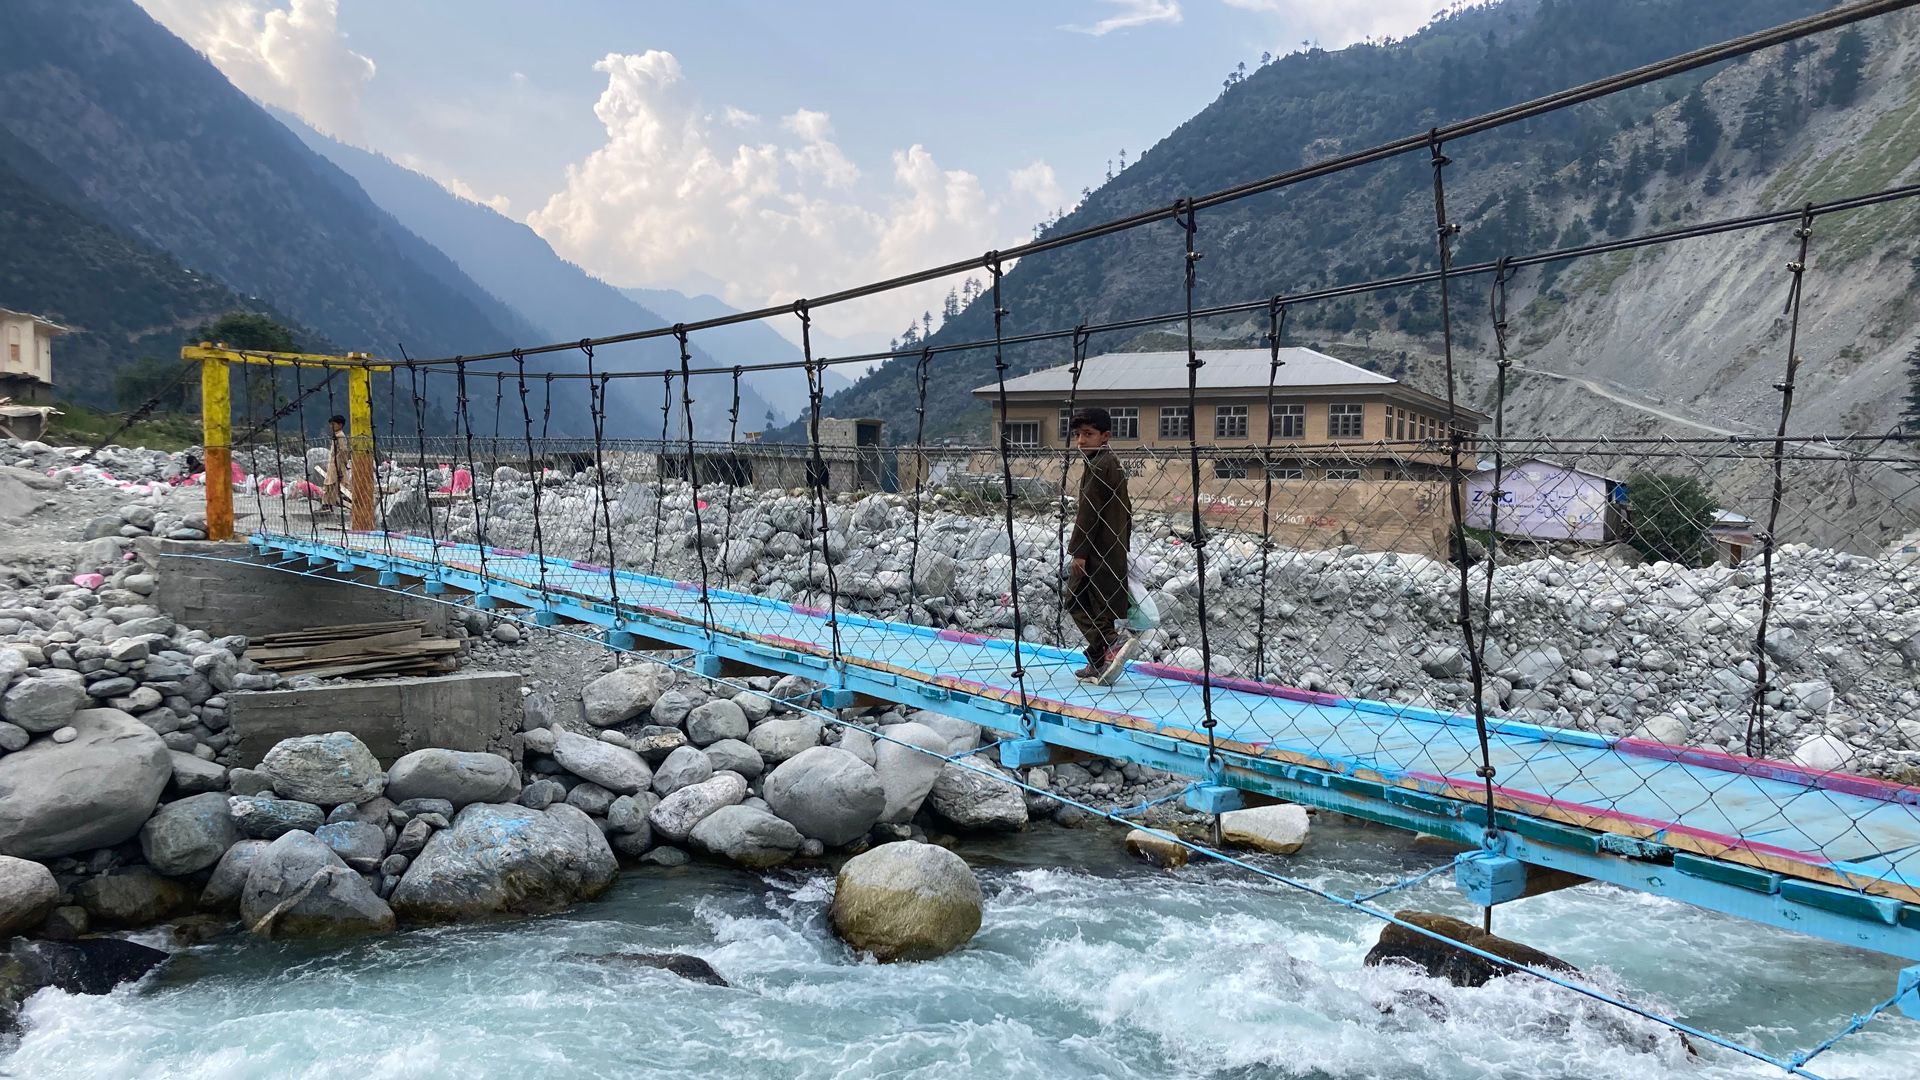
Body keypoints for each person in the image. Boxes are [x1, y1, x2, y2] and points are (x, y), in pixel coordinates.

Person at [1064, 407, 1139, 684]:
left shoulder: (1098, 466)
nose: (1081, 441)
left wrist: (1079, 553)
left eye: (1088, 434)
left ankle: (1111, 642)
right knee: (1100, 605)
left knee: (1074, 599)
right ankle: (1098, 662)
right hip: (1112, 546)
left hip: (1096, 548)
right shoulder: (1109, 462)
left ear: (1105, 436)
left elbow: (1088, 512)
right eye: (1078, 435)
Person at [320, 414, 350, 509]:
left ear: (340, 425)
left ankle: (327, 504)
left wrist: (342, 465)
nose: (331, 426)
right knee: (330, 485)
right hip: (333, 464)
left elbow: (343, 451)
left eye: (334, 424)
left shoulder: (340, 436)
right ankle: (327, 504)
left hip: (336, 464)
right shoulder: (336, 435)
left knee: (330, 485)